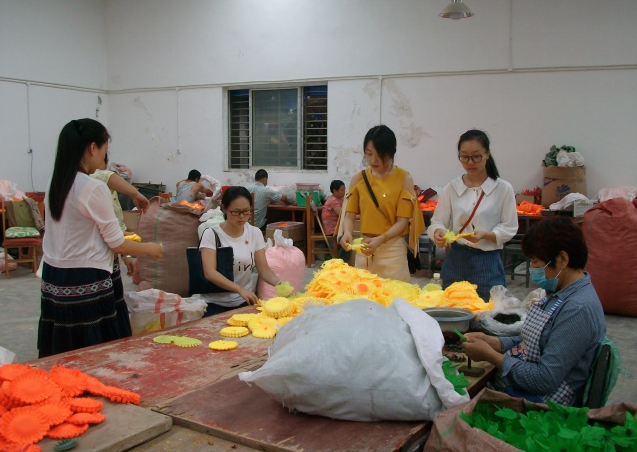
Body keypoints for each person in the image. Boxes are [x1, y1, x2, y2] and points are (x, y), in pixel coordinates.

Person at [39, 118, 163, 358]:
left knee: (64, 349)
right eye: (105, 150)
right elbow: (116, 243)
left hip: (55, 276)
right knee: (93, 350)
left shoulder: (56, 182)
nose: (104, 158)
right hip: (86, 278)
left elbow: (78, 231)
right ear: (93, 148)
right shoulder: (92, 187)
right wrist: (150, 249)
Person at [462, 217, 606, 406]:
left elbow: (544, 379)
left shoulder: (577, 309)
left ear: (562, 259)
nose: (532, 269)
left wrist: (490, 355)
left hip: (542, 406)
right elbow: (536, 341)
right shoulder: (558, 292)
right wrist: (494, 342)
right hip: (521, 388)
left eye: (535, 262)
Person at [428, 129, 518, 301]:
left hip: (487, 261)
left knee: (487, 309)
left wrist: (487, 235)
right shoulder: (452, 188)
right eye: (464, 157)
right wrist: (438, 232)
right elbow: (437, 221)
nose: (470, 162)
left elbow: (510, 226)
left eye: (476, 156)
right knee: (453, 307)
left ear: (487, 154)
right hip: (456, 259)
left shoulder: (502, 188)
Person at [339, 125, 425, 282]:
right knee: (364, 293)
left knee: (395, 295)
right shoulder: (358, 179)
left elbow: (402, 222)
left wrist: (381, 239)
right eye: (369, 154)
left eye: (379, 155)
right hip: (364, 248)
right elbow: (349, 217)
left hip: (392, 251)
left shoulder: (404, 178)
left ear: (391, 153)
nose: (373, 160)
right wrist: (347, 233)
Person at [197, 186, 287, 317]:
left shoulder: (254, 233)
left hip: (243, 301)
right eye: (236, 212)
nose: (242, 217)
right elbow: (209, 272)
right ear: (224, 208)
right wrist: (239, 289)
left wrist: (280, 284)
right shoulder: (211, 234)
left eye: (246, 211)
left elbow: (263, 269)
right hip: (214, 303)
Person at [92, 153, 150, 275]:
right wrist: (135, 194)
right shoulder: (91, 179)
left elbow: (119, 224)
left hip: (109, 255)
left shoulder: (110, 192)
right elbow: (105, 176)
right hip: (95, 258)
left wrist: (126, 256)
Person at [321, 180, 350, 262]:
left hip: (338, 228)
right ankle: (341, 261)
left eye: (344, 189)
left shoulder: (339, 199)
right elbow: (343, 214)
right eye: (342, 190)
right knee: (347, 240)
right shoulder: (333, 201)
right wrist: (357, 216)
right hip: (333, 230)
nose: (344, 192)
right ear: (334, 191)